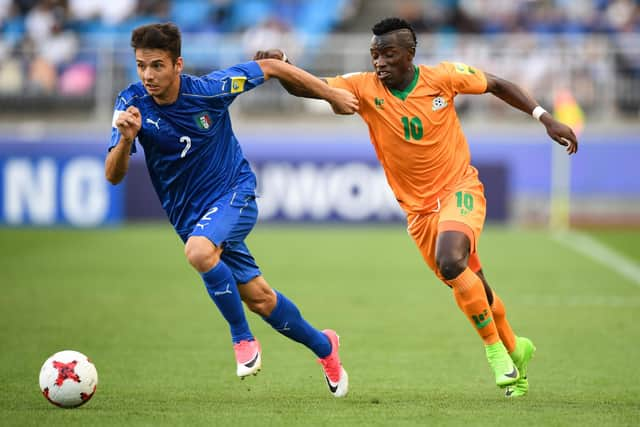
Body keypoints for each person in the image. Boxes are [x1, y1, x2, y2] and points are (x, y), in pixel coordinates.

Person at [255, 17, 579, 398]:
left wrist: (545, 118)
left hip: (460, 188)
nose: (380, 62)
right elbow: (314, 90)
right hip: (419, 213)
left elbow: (498, 84)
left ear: (409, 54)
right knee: (473, 281)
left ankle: (494, 352)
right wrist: (282, 66)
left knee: (451, 261)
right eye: (375, 54)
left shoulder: (443, 78)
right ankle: (515, 348)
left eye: (388, 54)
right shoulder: (363, 87)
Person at [105, 22, 358, 397]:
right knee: (260, 298)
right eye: (141, 65)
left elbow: (271, 68)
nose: (147, 75)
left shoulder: (210, 89)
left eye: (157, 65)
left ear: (178, 64)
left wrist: (329, 95)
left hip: (233, 195)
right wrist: (126, 140)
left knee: (199, 252)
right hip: (189, 217)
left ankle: (243, 340)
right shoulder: (130, 103)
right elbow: (113, 175)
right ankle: (326, 347)